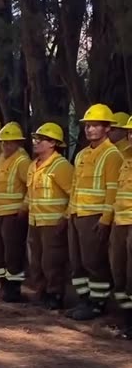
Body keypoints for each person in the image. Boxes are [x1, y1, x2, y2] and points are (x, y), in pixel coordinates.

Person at [66, 104, 124, 320]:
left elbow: (112, 190)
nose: (89, 129)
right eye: (88, 125)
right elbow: (75, 186)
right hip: (76, 214)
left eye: (95, 125)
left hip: (94, 216)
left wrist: (106, 219)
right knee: (77, 261)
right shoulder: (81, 155)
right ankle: (84, 300)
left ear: (107, 128)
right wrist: (69, 212)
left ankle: (97, 304)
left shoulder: (111, 155)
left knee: (94, 262)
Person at [27, 123, 72, 310]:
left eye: (41, 139)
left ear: (53, 143)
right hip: (35, 221)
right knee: (36, 260)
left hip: (53, 222)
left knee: (51, 261)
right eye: (35, 139)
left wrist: (66, 217)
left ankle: (55, 294)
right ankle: (41, 292)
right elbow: (30, 193)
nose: (36, 143)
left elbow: (73, 193)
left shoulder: (61, 166)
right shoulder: (33, 165)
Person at [0, 123, 31, 302]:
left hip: (13, 214)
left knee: (12, 253)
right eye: (3, 143)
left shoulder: (22, 161)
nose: (6, 146)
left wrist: (24, 207)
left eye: (10, 143)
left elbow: (31, 186)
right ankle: (3, 284)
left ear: (18, 144)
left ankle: (14, 289)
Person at [113, 114, 132, 337]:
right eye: (129, 132)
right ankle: (126, 319)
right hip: (120, 221)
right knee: (119, 270)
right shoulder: (125, 159)